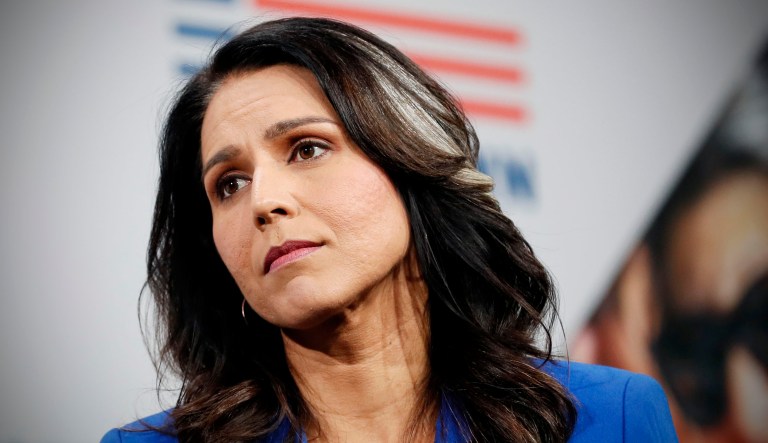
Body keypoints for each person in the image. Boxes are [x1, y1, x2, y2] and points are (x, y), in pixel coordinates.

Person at [101, 17, 677, 442]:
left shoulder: (612, 417)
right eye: (228, 184)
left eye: (307, 149)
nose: (264, 202)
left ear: (409, 169)